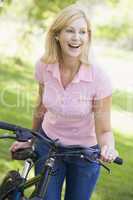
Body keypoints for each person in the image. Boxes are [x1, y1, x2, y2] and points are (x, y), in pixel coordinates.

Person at [10, 3, 119, 200]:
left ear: (88, 37)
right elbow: (41, 106)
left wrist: (108, 147)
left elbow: (104, 130)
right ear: (57, 35)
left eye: (82, 32)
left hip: (85, 154)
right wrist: (31, 138)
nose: (77, 37)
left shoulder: (99, 77)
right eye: (70, 30)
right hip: (48, 146)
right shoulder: (44, 66)